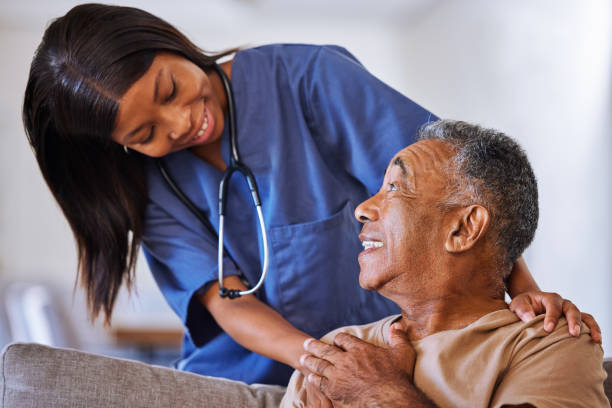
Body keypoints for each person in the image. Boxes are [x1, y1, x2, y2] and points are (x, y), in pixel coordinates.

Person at [22, 4, 600, 386]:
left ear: (166, 42)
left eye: (170, 89)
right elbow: (227, 300)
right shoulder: (154, 184)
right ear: (119, 147)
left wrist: (525, 298)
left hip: (395, 357)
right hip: (251, 378)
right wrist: (320, 361)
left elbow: (453, 191)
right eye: (143, 134)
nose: (178, 124)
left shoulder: (306, 79)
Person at [287, 120, 609, 407]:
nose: (363, 209)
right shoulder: (335, 355)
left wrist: (379, 391)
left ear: (463, 229)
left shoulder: (549, 343)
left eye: (395, 188)